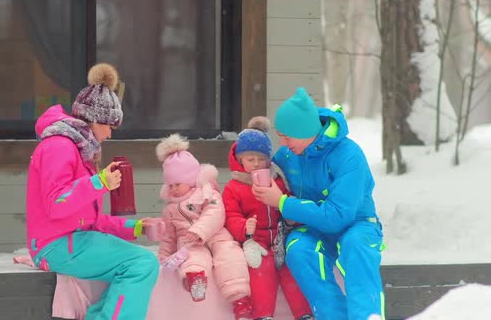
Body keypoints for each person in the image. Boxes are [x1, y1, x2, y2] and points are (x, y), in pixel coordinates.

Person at [26, 63, 159, 320]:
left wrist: (137, 227)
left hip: (70, 241)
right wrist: (99, 183)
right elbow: (57, 203)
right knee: (140, 264)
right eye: (109, 126)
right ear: (94, 119)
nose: (110, 134)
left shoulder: (79, 151)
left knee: (140, 263)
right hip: (54, 245)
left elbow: (90, 221)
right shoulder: (60, 146)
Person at [252, 87, 386, 320]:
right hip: (313, 227)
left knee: (356, 246)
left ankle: (367, 316)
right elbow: (251, 164)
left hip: (357, 223)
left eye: (287, 136)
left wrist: (284, 203)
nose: (282, 143)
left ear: (305, 131)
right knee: (298, 249)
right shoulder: (288, 155)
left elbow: (337, 216)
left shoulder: (349, 156)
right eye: (280, 135)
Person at [223, 116, 314, 320]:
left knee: (293, 271)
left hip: (282, 237)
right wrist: (245, 227)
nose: (257, 164)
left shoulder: (277, 180)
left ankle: (305, 314)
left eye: (262, 159)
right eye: (250, 160)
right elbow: (230, 215)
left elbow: (288, 202)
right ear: (240, 160)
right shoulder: (233, 188)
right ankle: (263, 315)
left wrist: (291, 218)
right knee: (260, 273)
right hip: (257, 242)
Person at [156, 133, 253, 320]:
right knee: (192, 258)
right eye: (171, 185)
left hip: (217, 235)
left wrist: (199, 229)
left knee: (230, 257)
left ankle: (240, 300)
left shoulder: (207, 192)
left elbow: (215, 213)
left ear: (191, 179)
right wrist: (164, 256)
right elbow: (169, 236)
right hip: (189, 242)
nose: (174, 188)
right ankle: (195, 280)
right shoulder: (169, 209)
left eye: (178, 183)